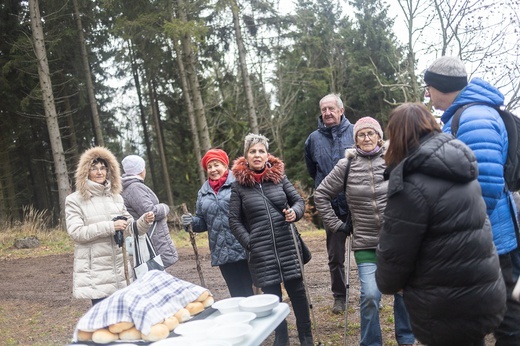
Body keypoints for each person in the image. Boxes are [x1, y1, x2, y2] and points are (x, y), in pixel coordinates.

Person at [375, 103, 506, 346]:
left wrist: (386, 281)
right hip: (483, 294)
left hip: (444, 306)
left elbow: (394, 258)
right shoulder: (461, 168)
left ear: (399, 136)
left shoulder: (410, 184)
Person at [423, 56, 520, 345]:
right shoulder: (464, 114)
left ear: (442, 86)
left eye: (428, 88)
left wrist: (463, 230)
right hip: (487, 233)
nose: (427, 95)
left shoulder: (474, 117)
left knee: (509, 318)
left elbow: (486, 184)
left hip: (491, 237)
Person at [314, 117, 415, 346]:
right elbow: (321, 194)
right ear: (355, 139)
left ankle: (406, 339)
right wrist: (337, 225)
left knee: (402, 292)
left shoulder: (394, 160)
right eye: (361, 134)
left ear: (379, 136)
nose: (367, 138)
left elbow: (414, 189)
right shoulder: (346, 165)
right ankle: (370, 343)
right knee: (370, 295)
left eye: (371, 133)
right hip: (365, 243)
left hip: (396, 242)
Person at [229, 133, 313, 346]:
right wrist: (250, 243)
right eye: (252, 151)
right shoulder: (239, 186)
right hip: (261, 251)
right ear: (246, 156)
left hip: (287, 244)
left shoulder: (279, 177)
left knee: (298, 293)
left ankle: (306, 337)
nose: (257, 155)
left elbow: (298, 201)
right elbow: (234, 220)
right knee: (272, 299)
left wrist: (295, 212)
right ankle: (281, 337)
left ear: (267, 155)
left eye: (261, 151)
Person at [65, 147, 154, 306]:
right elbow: (76, 233)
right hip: (96, 271)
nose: (99, 172)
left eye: (103, 168)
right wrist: (111, 226)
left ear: (109, 171)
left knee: (123, 318)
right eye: (94, 168)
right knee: (105, 322)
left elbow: (130, 228)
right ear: (86, 171)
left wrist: (144, 221)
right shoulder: (74, 200)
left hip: (120, 269)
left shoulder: (116, 198)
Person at [304, 93, 355, 314]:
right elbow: (312, 170)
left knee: (370, 251)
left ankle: (374, 293)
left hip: (357, 204)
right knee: (335, 257)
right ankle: (339, 297)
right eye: (323, 109)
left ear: (341, 110)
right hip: (332, 208)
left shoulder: (356, 131)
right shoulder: (313, 139)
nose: (327, 113)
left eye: (331, 109)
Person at [180, 148, 254, 297]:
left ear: (225, 166)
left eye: (216, 165)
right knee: (236, 294)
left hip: (244, 246)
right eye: (209, 166)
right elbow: (203, 222)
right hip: (222, 250)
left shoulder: (239, 183)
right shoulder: (203, 192)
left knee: (252, 291)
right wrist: (191, 222)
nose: (213, 169)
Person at [120, 155, 178, 269]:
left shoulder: (131, 187)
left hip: (151, 237)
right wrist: (164, 207)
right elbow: (149, 212)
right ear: (141, 170)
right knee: (154, 274)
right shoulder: (135, 188)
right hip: (152, 239)